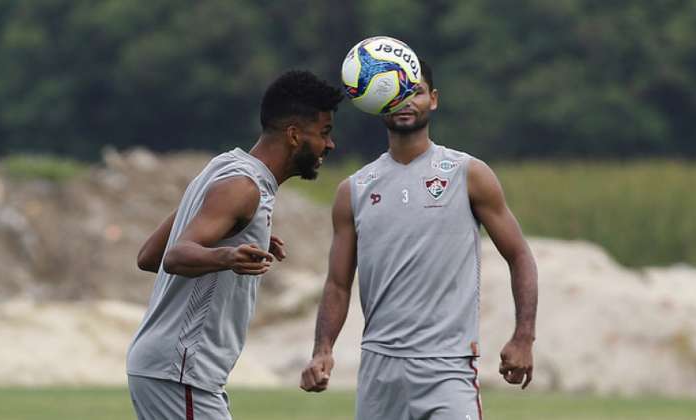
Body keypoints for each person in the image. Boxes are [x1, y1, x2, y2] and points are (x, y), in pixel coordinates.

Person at [300, 60, 538, 420]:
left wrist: (524, 337)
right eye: (396, 92)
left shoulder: (468, 174)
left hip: (448, 367)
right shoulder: (354, 190)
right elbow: (337, 284)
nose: (407, 100)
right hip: (380, 371)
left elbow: (520, 255)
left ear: (434, 99)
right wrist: (322, 350)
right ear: (378, 101)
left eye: (417, 91)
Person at [126, 70, 343, 420]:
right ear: (293, 135)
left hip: (170, 371)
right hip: (181, 372)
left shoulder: (224, 168)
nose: (329, 145)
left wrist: (238, 234)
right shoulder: (242, 187)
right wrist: (227, 255)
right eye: (324, 133)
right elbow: (174, 256)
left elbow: (148, 255)